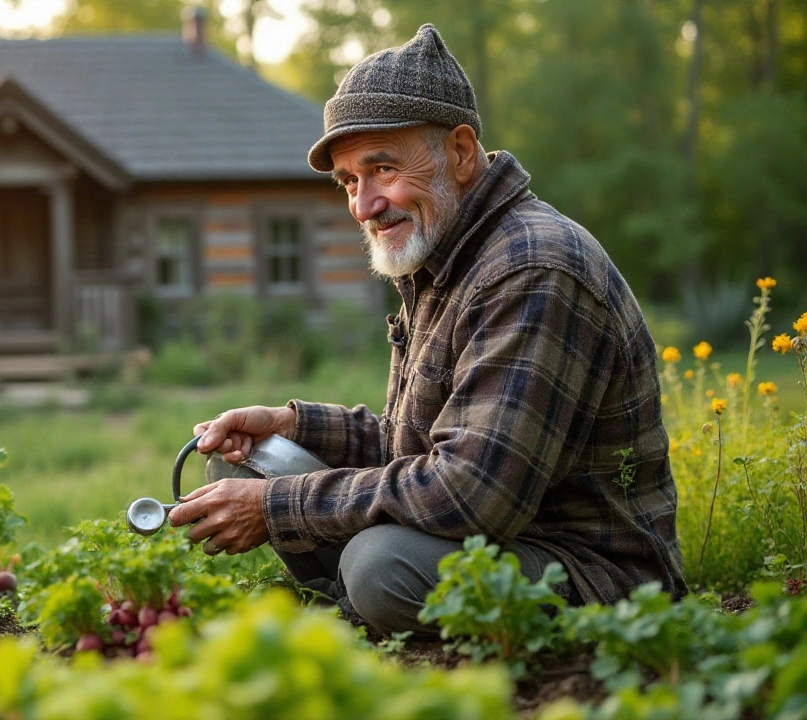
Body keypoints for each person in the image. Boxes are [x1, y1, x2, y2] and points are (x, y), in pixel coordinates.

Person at [167, 24, 687, 635]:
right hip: (483, 545)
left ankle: (366, 609)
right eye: (349, 182)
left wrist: (278, 508)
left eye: (382, 169)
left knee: (378, 565)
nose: (363, 205)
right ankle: (370, 616)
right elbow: (412, 446)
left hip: (588, 571)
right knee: (253, 462)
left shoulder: (532, 268)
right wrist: (291, 424)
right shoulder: (442, 259)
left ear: (462, 154)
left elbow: (469, 492)